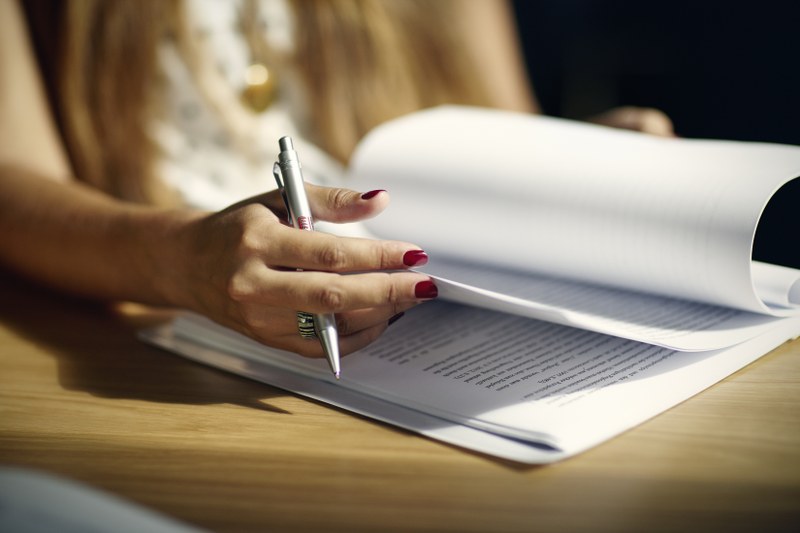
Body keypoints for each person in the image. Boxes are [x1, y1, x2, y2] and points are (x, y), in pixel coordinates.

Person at [0, 0, 673, 360]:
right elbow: (13, 180)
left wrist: (575, 163)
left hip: (415, 332)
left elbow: (499, 120)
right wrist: (180, 260)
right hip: (144, 322)